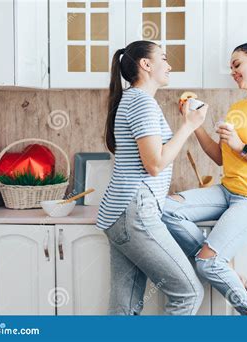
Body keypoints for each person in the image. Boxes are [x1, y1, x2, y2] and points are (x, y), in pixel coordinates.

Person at [162, 42, 247, 315]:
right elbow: (221, 157)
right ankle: (226, 266)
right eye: (231, 68)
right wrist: (194, 124)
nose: (233, 72)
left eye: (237, 65)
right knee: (165, 208)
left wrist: (240, 146)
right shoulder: (238, 107)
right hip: (227, 191)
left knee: (207, 264)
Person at [96, 40, 208, 315]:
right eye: (164, 59)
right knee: (189, 293)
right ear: (146, 65)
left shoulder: (133, 100)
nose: (169, 66)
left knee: (125, 307)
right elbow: (155, 164)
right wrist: (189, 126)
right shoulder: (142, 103)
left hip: (122, 212)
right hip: (135, 211)